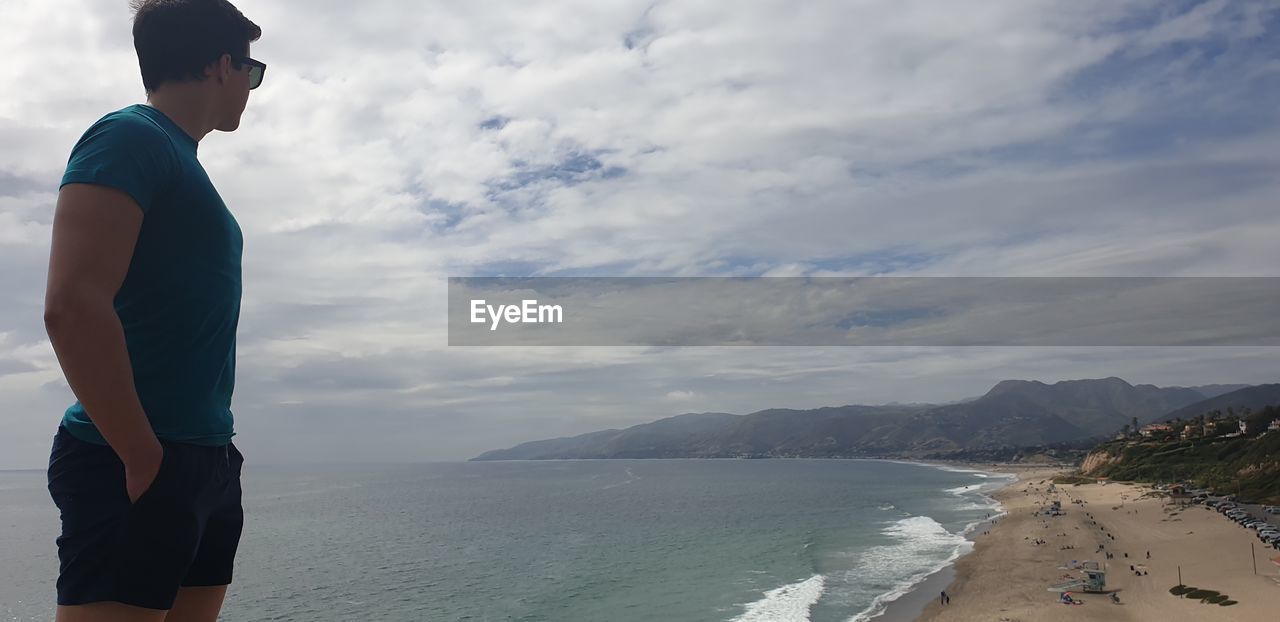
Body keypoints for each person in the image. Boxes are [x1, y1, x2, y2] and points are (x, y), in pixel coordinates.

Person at [43, 1, 263, 620]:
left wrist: (205, 462)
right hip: (136, 457)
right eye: (254, 70)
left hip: (204, 456)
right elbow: (72, 305)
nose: (252, 87)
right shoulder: (129, 137)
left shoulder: (180, 160)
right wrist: (141, 455)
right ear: (224, 66)